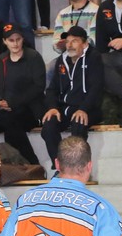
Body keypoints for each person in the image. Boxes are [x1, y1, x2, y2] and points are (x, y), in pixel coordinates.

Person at [42, 26, 103, 165]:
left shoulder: (93, 57)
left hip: (88, 108)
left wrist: (84, 109)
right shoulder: (61, 60)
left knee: (78, 124)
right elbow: (52, 89)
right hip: (65, 108)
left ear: (85, 44)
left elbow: (96, 88)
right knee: (48, 127)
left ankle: (77, 168)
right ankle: (60, 167)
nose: (69, 45)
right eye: (68, 41)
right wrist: (52, 107)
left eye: (74, 41)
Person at [0, 24, 45, 164]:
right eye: (11, 40)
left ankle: (30, 163)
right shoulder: (1, 60)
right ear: (5, 41)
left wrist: (13, 103)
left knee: (11, 123)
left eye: (18, 39)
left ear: (23, 39)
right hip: (5, 109)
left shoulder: (33, 57)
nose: (15, 43)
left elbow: (39, 86)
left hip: (30, 109)